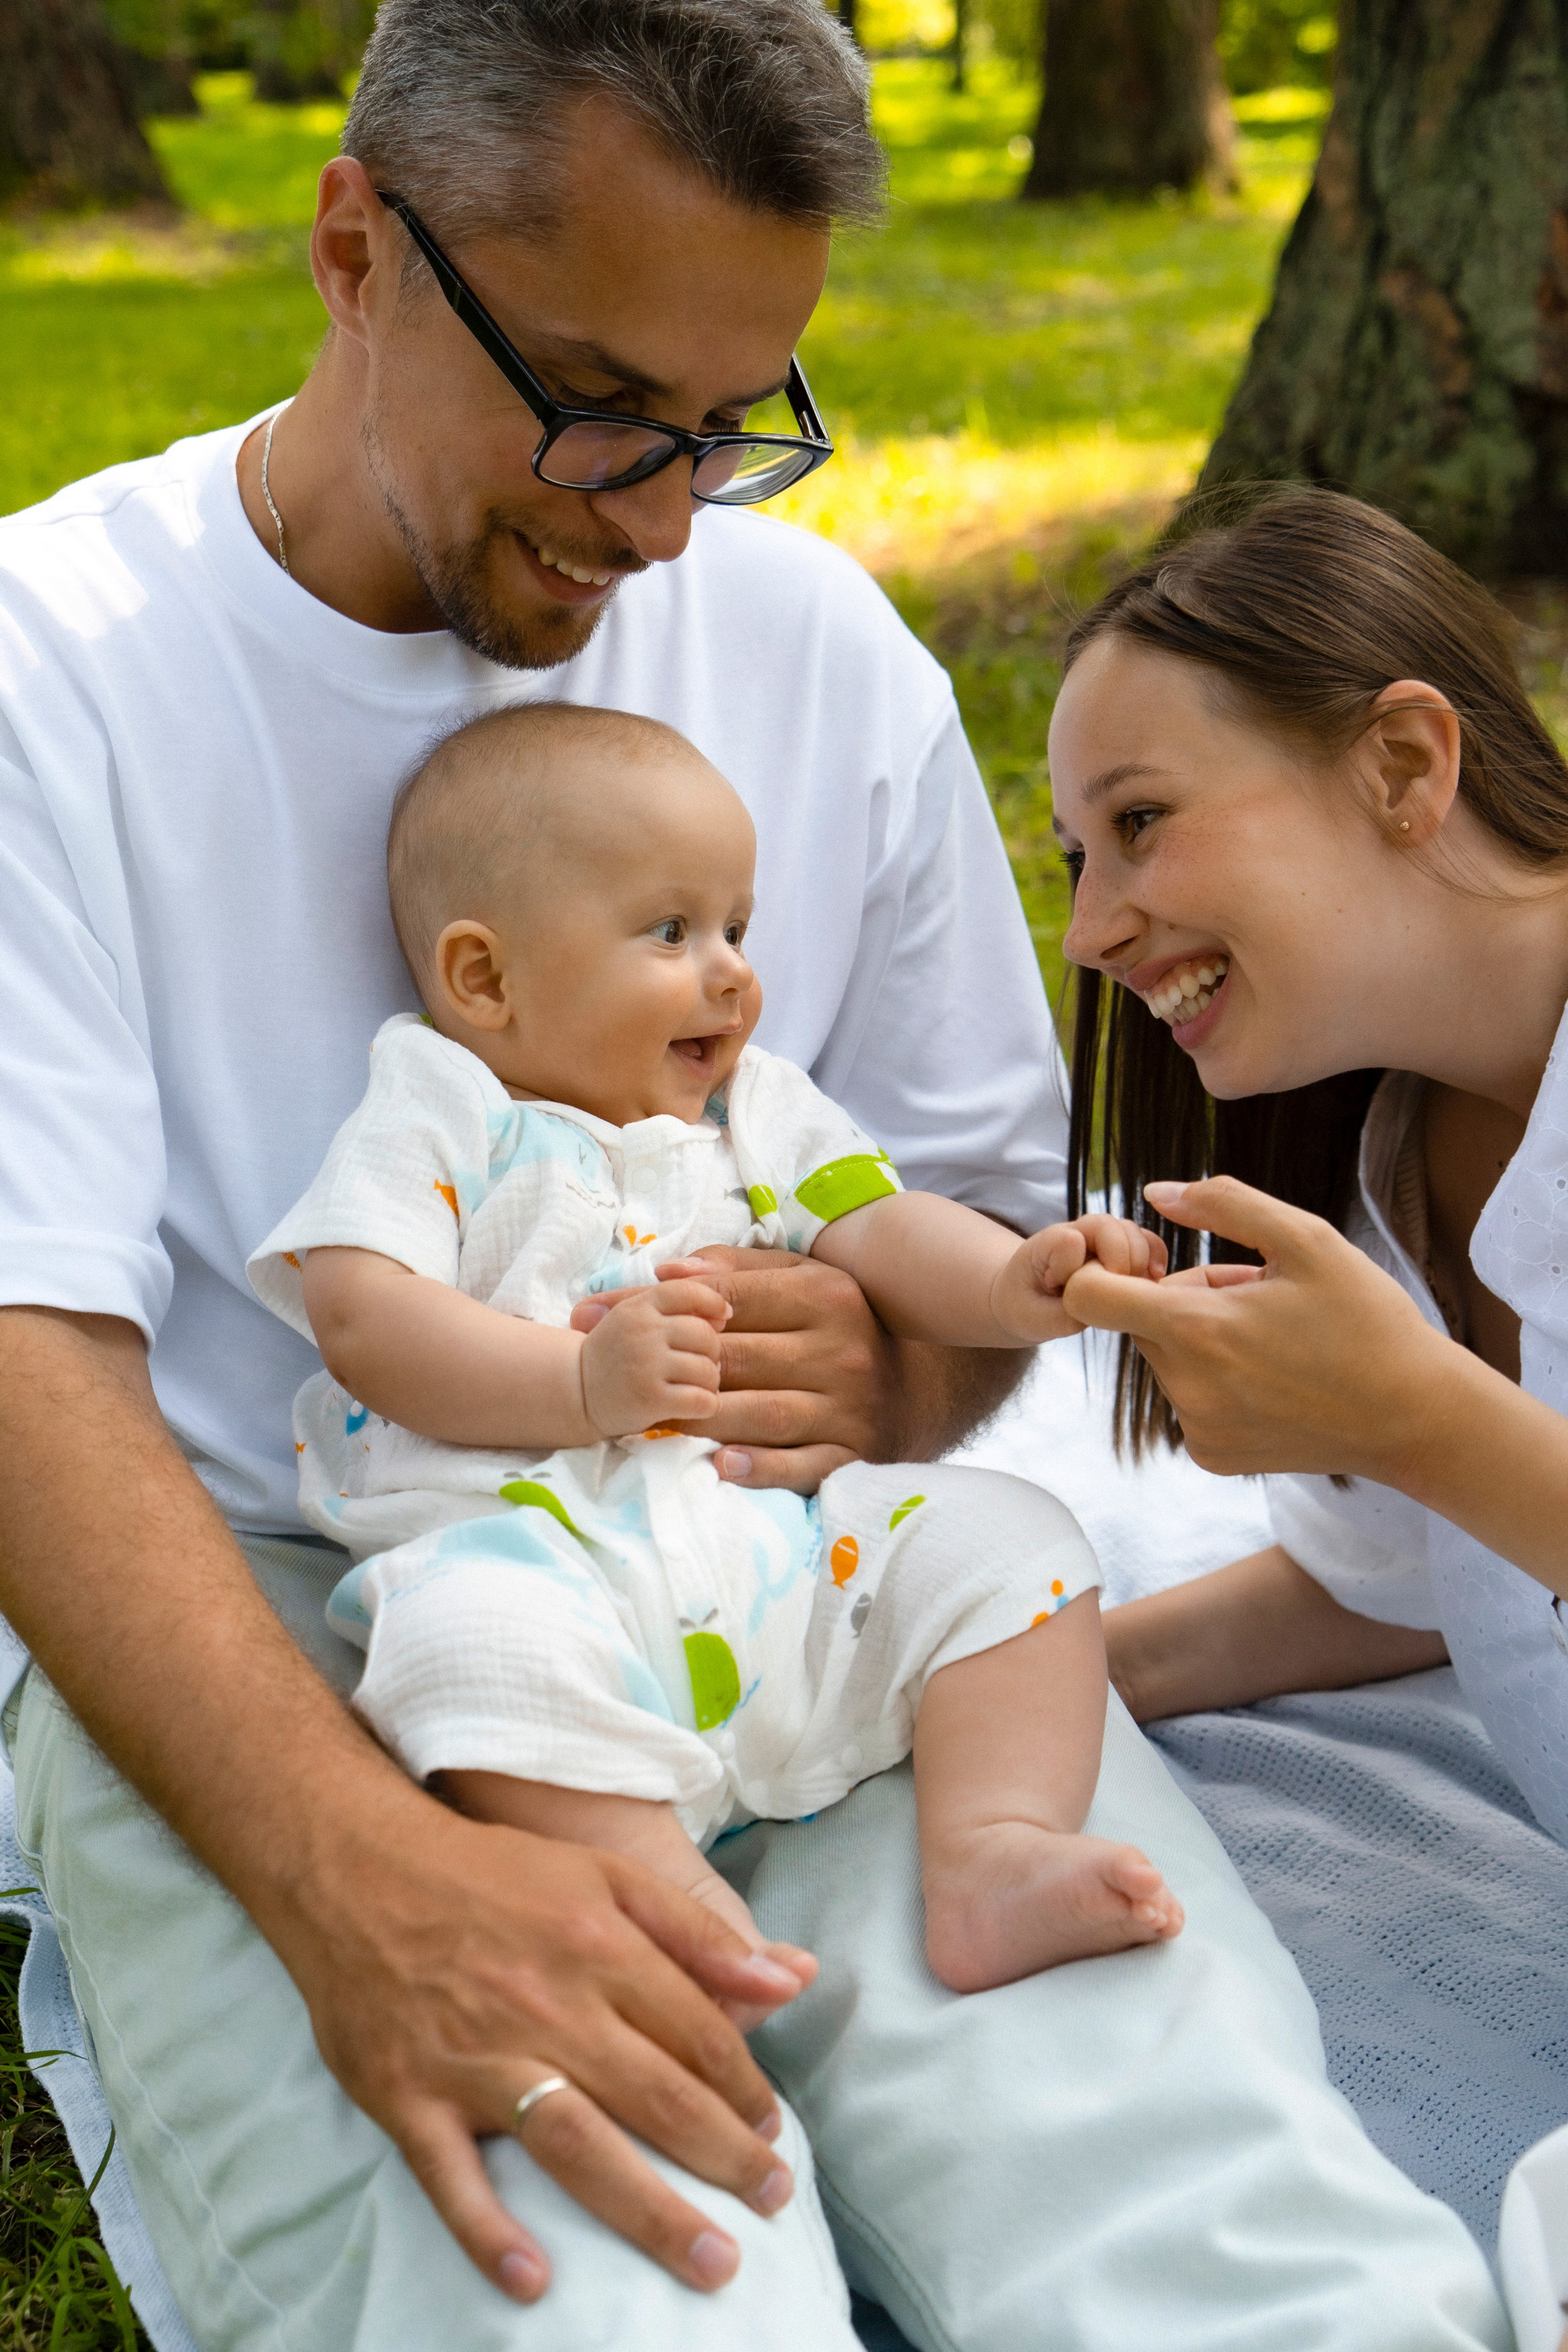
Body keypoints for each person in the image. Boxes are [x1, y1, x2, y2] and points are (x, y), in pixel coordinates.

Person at [0, 1, 1510, 2342]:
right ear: (352, 246)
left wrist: (892, 1380)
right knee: (621, 2289)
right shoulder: (51, 673)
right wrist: (355, 1872)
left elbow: (970, 1232)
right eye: (603, 404)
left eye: (732, 429)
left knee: (1234, 2259)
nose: (660, 519)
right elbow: (25, 1358)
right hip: (333, 1623)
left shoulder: (810, 644)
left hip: (795, 1592)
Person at [249, 699, 1183, 1993]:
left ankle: (991, 1850)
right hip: (542, 1559)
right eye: (671, 931)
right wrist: (576, 1384)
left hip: (785, 1571)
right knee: (456, 1646)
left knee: (1009, 1538)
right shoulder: (443, 1107)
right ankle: (670, 1897)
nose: (730, 970)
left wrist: (1017, 1283)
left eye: (737, 927)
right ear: (483, 979)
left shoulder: (756, 1107)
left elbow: (880, 1225)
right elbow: (362, 1311)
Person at [1049, 487, 1568, 1863]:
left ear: (1401, 764)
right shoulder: (1388, 1151)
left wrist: (1417, 1419)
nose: (1089, 932)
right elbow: (1404, 1577)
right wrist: (1007, 1684)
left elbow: (1468, 1469)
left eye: (1140, 820)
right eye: (1073, 860)